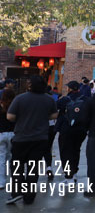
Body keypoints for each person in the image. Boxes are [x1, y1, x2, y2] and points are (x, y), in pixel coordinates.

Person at [6, 76, 58, 205]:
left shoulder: (20, 98)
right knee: (33, 168)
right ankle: (29, 197)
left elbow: (10, 116)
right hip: (40, 139)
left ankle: (17, 192)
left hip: (21, 138)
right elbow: (54, 115)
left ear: (30, 86)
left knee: (17, 167)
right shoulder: (49, 99)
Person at [56, 80, 89, 184]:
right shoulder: (86, 99)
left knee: (65, 152)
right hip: (80, 130)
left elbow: (55, 109)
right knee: (76, 150)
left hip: (66, 129)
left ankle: (68, 176)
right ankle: (74, 173)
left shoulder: (64, 100)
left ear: (69, 89)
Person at [0, 88, 16, 189]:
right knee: (13, 158)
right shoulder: (15, 106)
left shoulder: (1, 106)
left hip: (1, 134)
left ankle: (2, 181)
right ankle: (15, 180)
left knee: (1, 159)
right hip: (13, 134)